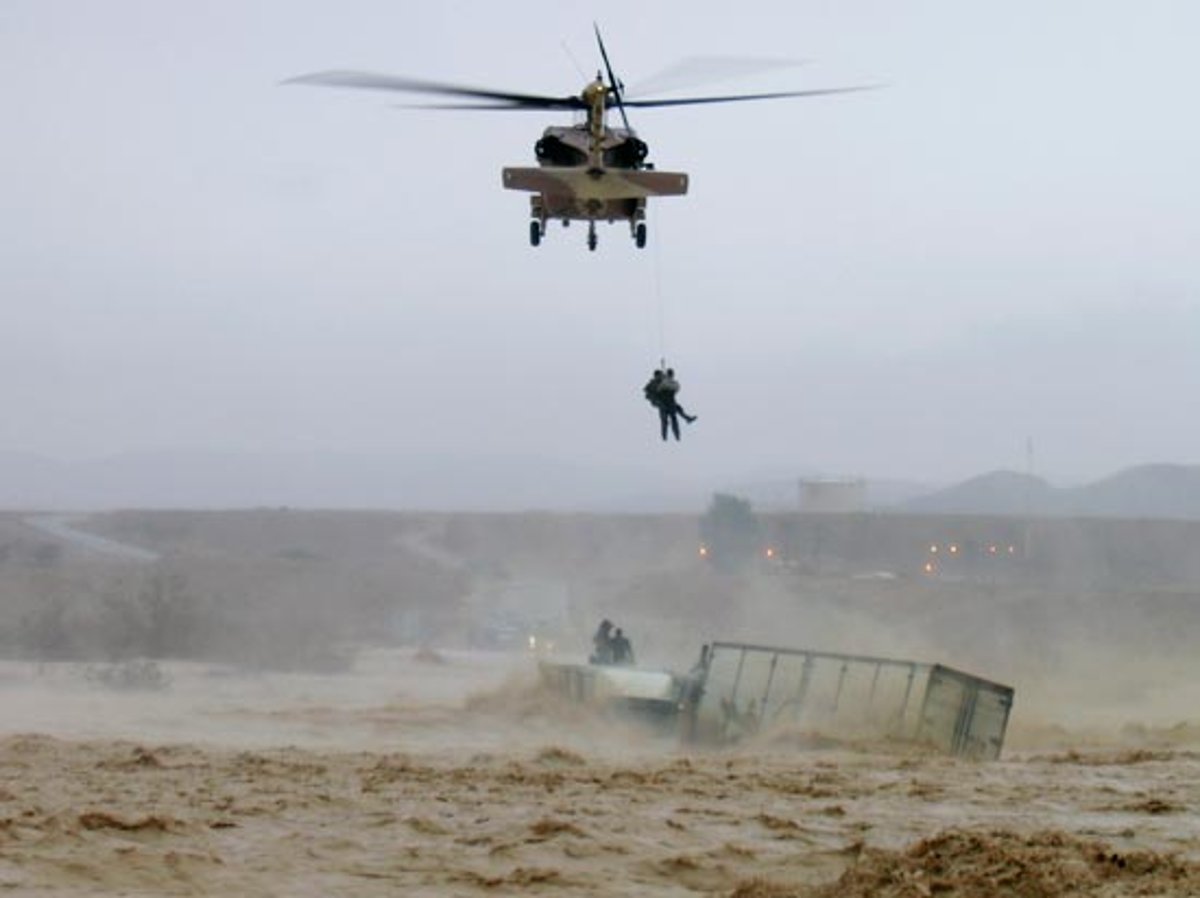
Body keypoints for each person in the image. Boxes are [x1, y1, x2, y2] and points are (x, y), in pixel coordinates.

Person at [643, 367, 697, 442]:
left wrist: (667, 382)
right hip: (662, 403)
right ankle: (664, 437)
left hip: (670, 401)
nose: (659, 377)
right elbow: (649, 392)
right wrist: (656, 398)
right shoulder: (654, 383)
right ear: (656, 376)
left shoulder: (665, 380)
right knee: (665, 420)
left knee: (675, 417)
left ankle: (678, 435)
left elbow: (674, 388)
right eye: (658, 376)